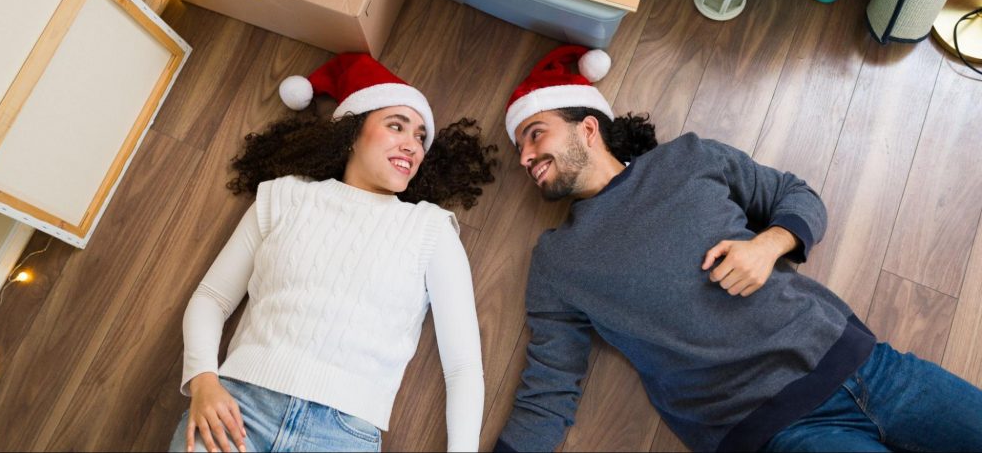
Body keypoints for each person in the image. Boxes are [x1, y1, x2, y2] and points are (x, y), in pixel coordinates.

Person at [494, 45, 982, 452]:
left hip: (872, 366)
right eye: (520, 149)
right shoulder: (558, 261)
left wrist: (769, 246)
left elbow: (797, 196)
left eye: (535, 135)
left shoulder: (687, 159)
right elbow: (550, 385)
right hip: (781, 430)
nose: (526, 157)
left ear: (587, 128)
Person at [169, 54, 497, 453]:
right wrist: (203, 379)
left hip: (342, 437)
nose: (412, 145)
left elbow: (462, 367)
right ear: (354, 134)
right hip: (237, 410)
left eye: (420, 138)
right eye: (397, 126)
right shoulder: (284, 195)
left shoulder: (431, 230)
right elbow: (213, 298)